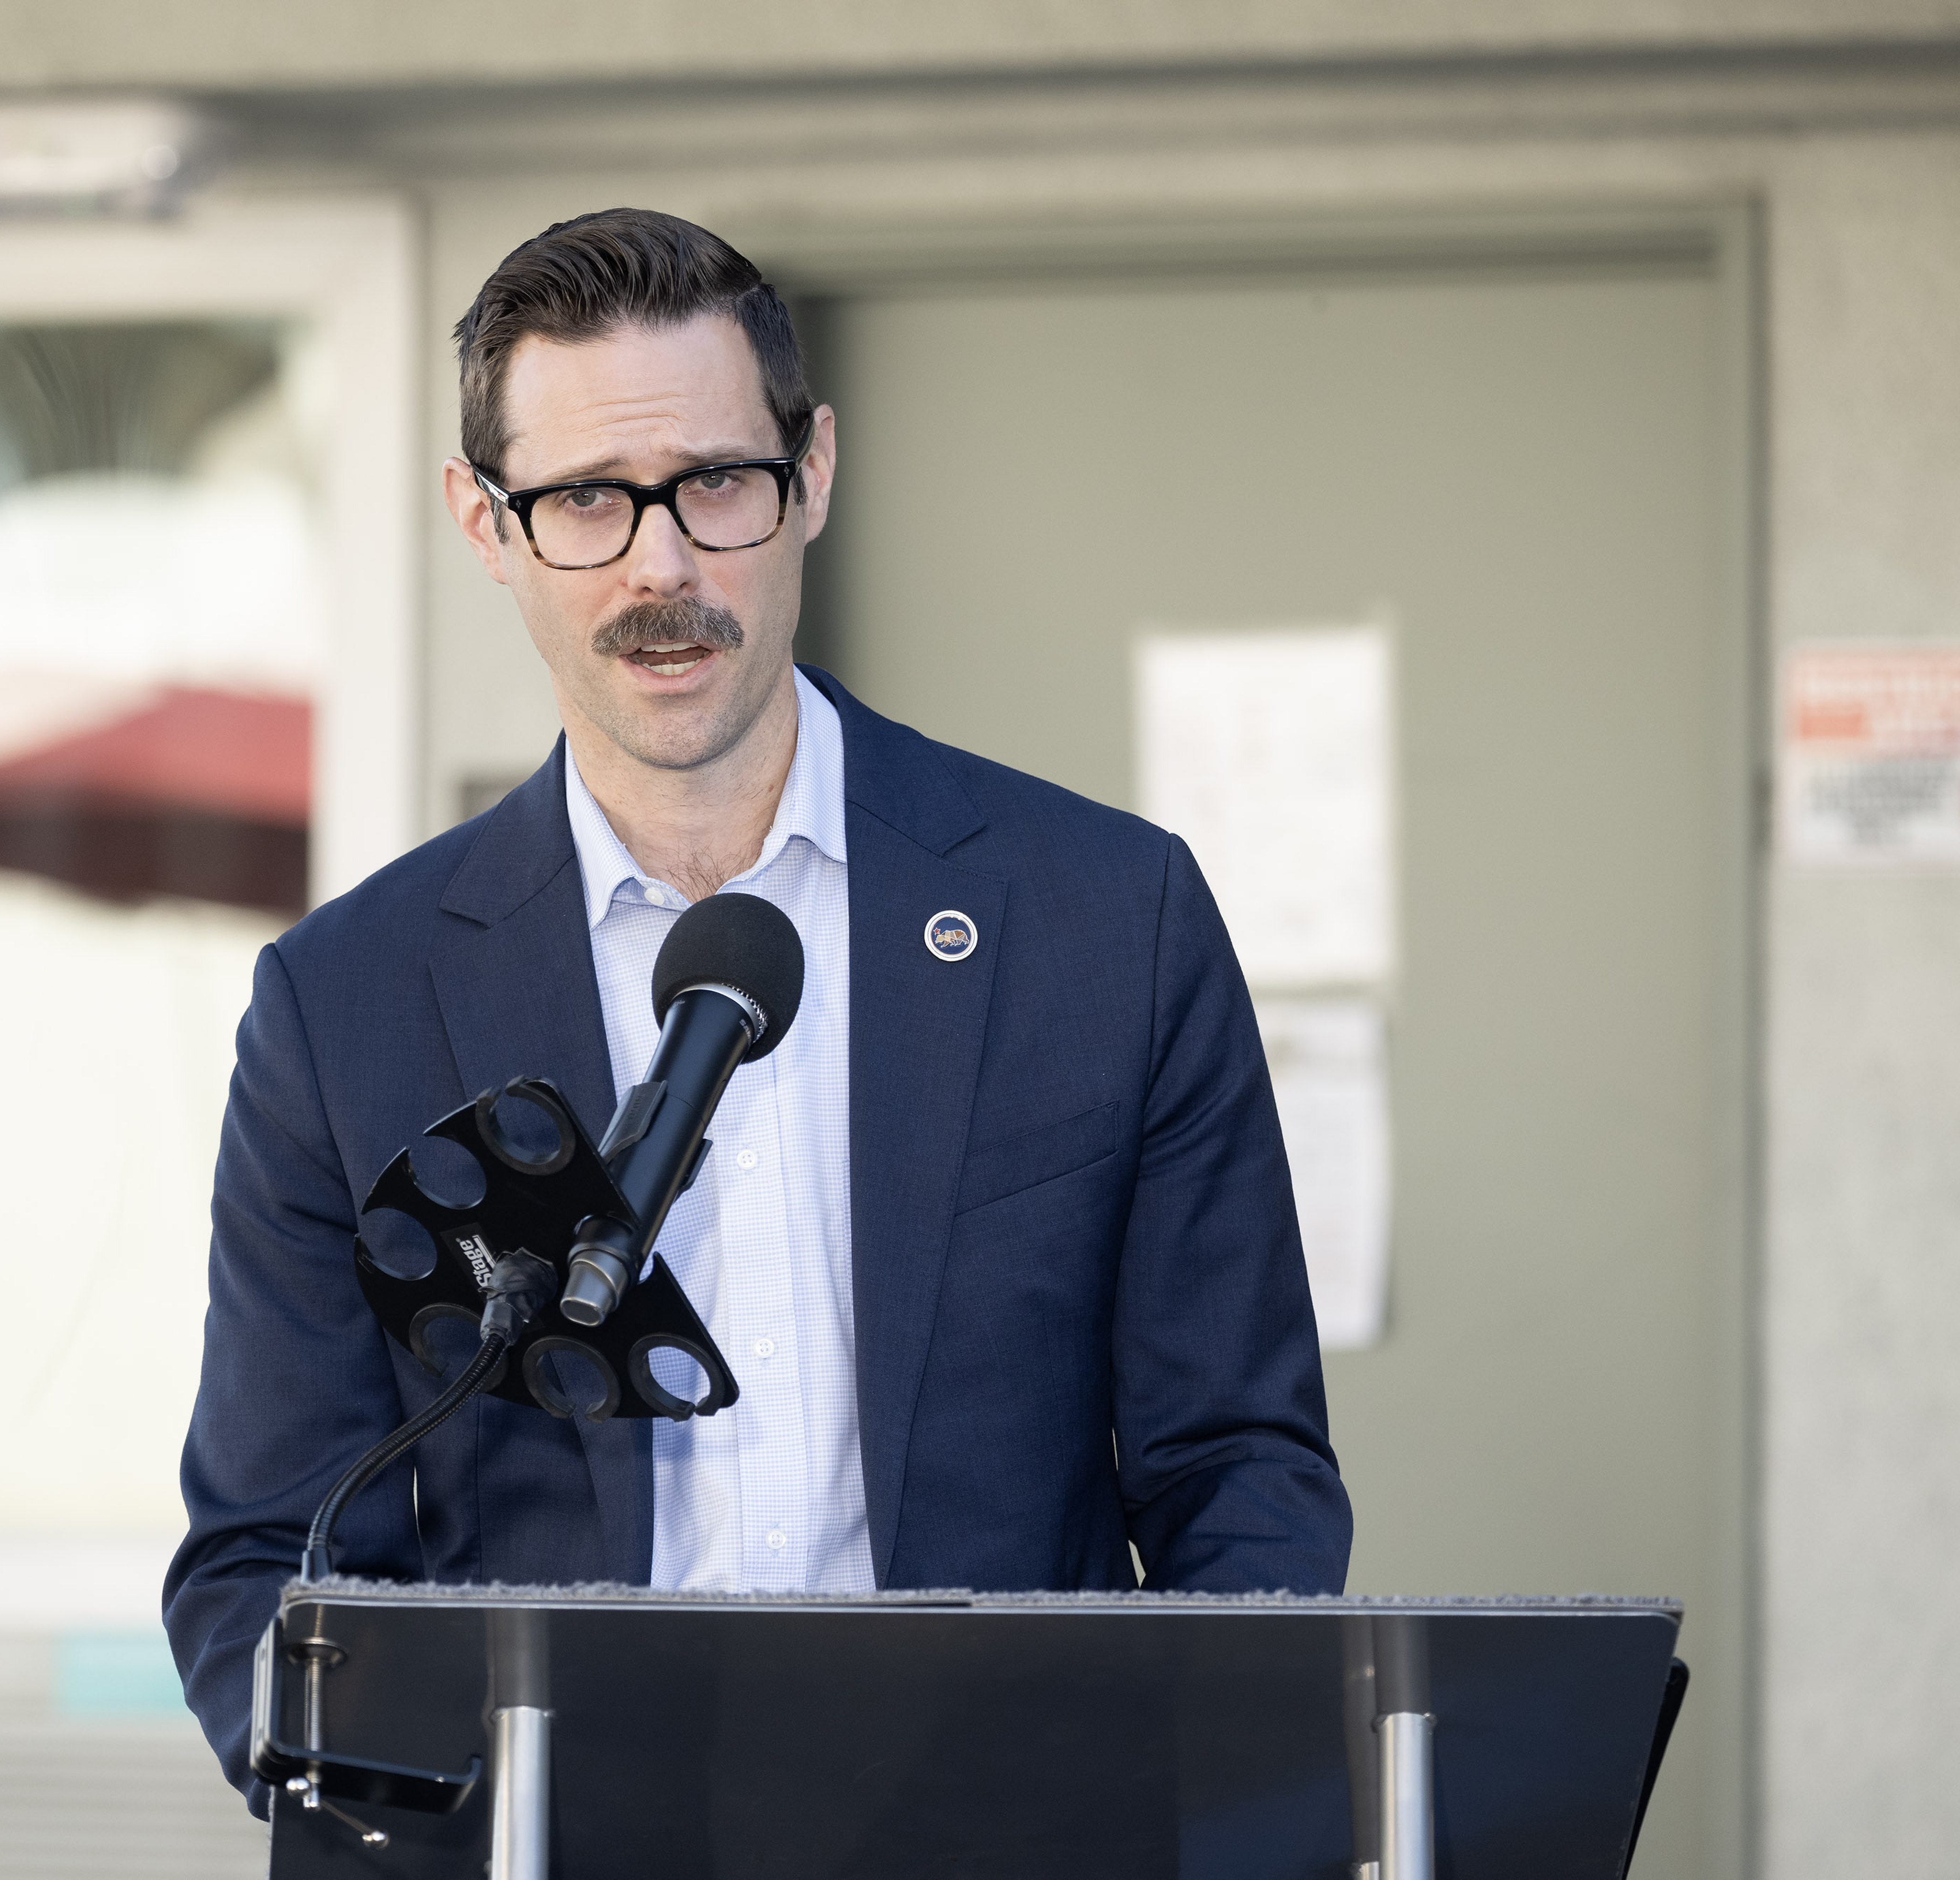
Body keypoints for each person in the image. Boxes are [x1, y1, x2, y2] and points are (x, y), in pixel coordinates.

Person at [163, 207, 1350, 1805]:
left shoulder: (1104, 920)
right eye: (586, 499)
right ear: (485, 523)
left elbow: (1241, 1475)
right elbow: (272, 1557)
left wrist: (1177, 1803)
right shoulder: (343, 1007)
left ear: (816, 474)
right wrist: (427, 1809)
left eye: (716, 482)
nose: (661, 565)